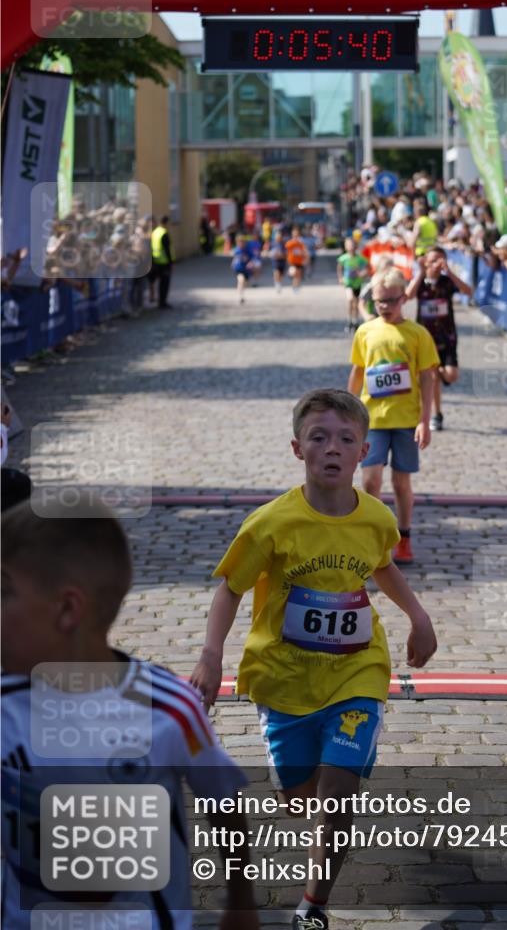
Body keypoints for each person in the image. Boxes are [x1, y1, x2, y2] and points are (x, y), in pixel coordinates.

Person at [190, 388, 437, 930]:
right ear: (297, 449)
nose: (332, 447)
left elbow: (383, 566)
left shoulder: (375, 518)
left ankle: (314, 903)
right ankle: (317, 836)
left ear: (363, 451)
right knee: (301, 804)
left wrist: (419, 618)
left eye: (346, 439)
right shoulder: (269, 524)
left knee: (339, 790)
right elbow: (230, 588)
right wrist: (212, 655)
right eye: (319, 437)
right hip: (283, 682)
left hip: (357, 672)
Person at [1, 495, 258, 930]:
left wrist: (241, 900)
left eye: (2, 591)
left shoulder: (169, 710)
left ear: (67, 609)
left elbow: (224, 799)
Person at [348, 268, 439, 565]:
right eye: (379, 302)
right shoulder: (365, 331)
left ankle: (404, 537)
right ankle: (374, 537)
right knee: (371, 480)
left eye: (390, 301)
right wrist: (347, 408)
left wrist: (425, 420)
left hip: (405, 420)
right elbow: (358, 370)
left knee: (401, 483)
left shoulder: (417, 334)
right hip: (372, 419)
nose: (384, 307)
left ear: (404, 299)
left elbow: (428, 377)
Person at [406, 246, 472, 432]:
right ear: (425, 261)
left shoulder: (446, 282)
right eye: (433, 259)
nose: (437, 264)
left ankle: (440, 373)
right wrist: (420, 273)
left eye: (441, 260)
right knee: (432, 377)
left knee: (451, 375)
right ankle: (437, 414)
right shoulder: (420, 282)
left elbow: (468, 291)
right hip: (425, 338)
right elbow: (408, 296)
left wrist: (450, 272)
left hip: (447, 336)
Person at [337, 236, 368, 331]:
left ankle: (355, 321)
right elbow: (339, 268)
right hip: (348, 282)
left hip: (357, 283)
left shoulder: (360, 258)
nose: (351, 247)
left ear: (356, 246)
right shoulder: (343, 258)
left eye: (353, 245)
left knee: (356, 303)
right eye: (349, 245)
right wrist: (340, 278)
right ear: (346, 247)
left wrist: (362, 274)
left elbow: (367, 268)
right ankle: (349, 320)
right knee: (350, 299)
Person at [150, 214, 174, 309]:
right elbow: (167, 249)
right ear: (166, 223)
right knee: (164, 283)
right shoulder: (164, 233)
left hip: (155, 261)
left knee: (156, 282)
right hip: (164, 262)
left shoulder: (155, 232)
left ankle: (157, 300)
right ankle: (162, 302)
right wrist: (171, 262)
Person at [285, 226, 309, 291]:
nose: (295, 235)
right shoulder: (289, 243)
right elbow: (286, 251)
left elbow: (304, 251)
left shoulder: (300, 243)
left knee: (298, 275)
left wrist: (306, 258)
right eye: (294, 234)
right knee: (294, 273)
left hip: (299, 261)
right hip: (292, 261)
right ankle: (294, 284)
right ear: (292, 235)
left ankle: (296, 286)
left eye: (297, 234)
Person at [231, 233, 252, 303]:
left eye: (242, 242)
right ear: (237, 243)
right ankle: (240, 296)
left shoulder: (247, 250)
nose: (241, 243)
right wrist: (233, 263)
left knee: (245, 283)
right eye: (239, 242)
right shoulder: (236, 250)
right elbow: (234, 258)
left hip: (246, 270)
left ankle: (240, 293)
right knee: (241, 280)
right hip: (238, 269)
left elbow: (251, 258)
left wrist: (250, 263)